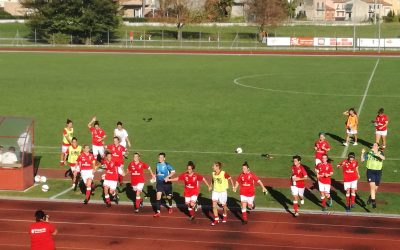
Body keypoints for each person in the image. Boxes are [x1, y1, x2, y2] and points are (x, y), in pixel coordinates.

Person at [361, 143, 385, 209]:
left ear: (378, 147)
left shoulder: (381, 152)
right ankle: (373, 202)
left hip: (378, 172)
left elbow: (383, 158)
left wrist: (376, 153)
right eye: (373, 145)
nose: (374, 146)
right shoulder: (369, 153)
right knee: (372, 186)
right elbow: (362, 160)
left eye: (375, 145)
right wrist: (362, 153)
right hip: (370, 171)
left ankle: (370, 198)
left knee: (375, 188)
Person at [210, 162, 234, 226]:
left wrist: (233, 186)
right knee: (214, 205)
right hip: (215, 191)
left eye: (214, 166)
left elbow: (230, 179)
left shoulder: (223, 173)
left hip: (222, 192)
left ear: (217, 167)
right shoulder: (213, 173)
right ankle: (216, 219)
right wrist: (210, 186)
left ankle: (225, 215)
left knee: (224, 205)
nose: (212, 167)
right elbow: (213, 180)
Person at [153, 152, 175, 217]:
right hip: (159, 183)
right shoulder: (157, 164)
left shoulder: (167, 165)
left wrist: (167, 177)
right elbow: (157, 172)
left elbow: (173, 172)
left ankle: (170, 207)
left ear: (164, 158)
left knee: (169, 197)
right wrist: (154, 176)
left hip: (167, 183)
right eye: (159, 157)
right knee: (158, 196)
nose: (160, 158)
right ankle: (158, 212)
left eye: (161, 157)